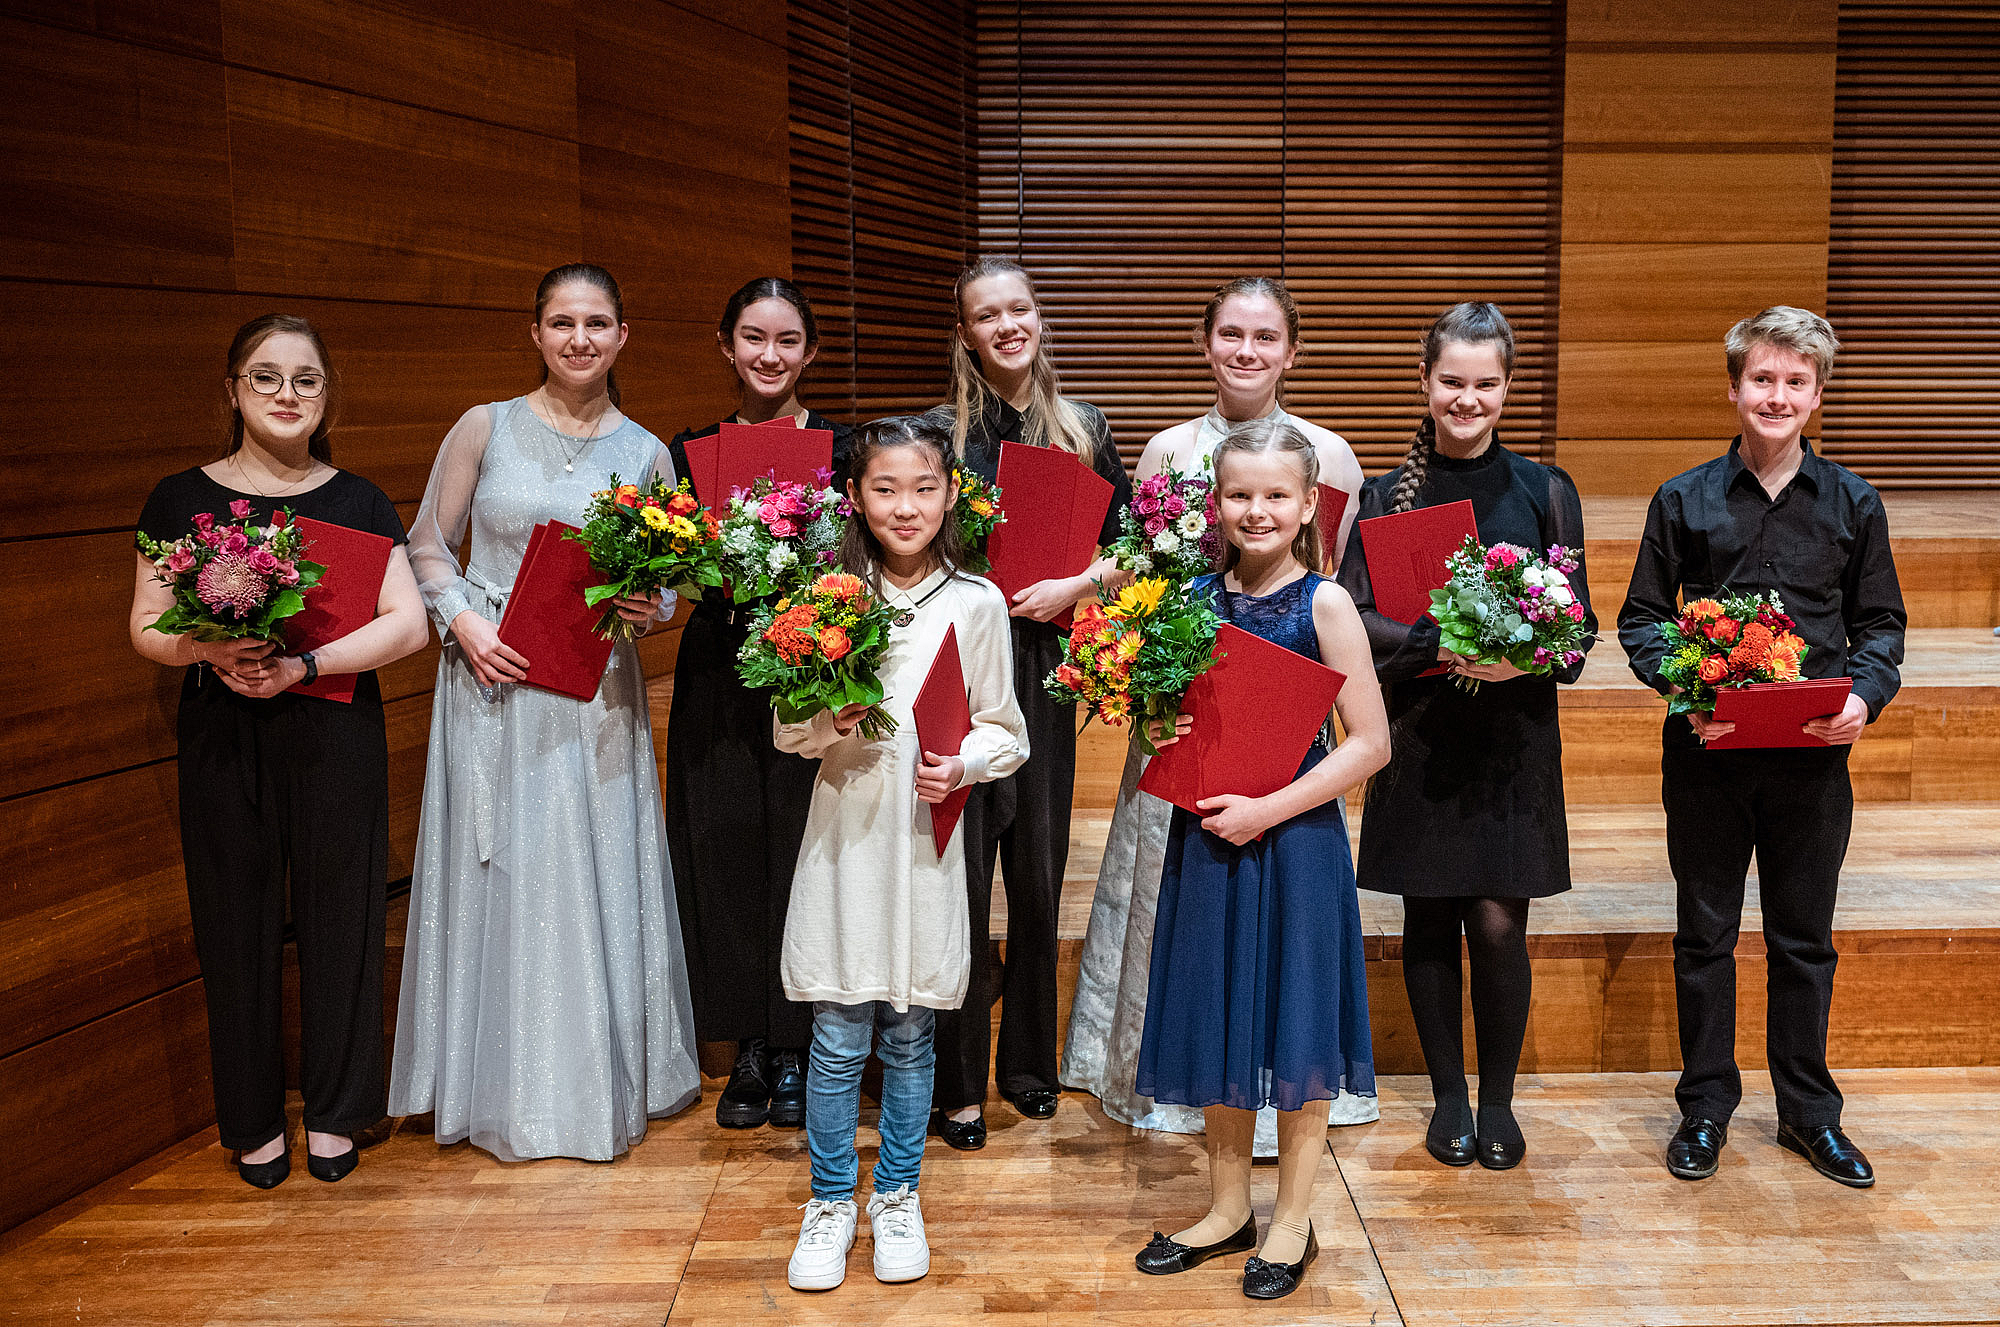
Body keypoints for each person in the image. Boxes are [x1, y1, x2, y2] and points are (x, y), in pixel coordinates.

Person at [389, 263, 701, 1161]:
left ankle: (587, 1084)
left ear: (621, 336)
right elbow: (426, 546)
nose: (579, 339)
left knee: (587, 864)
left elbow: (666, 581)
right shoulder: (484, 426)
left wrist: (655, 608)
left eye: (597, 322)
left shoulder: (645, 450)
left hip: (590, 689)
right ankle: (495, 1085)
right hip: (490, 678)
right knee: (505, 868)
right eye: (562, 322)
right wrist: (462, 626)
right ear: (536, 333)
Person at [1062, 276, 1370, 1143]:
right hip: (1188, 699)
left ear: (1291, 351)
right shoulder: (1167, 448)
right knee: (1182, 897)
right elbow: (1140, 572)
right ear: (1205, 343)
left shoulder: (1332, 454)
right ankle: (1170, 1073)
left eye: (1265, 336)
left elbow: (1328, 585)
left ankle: (1282, 1094)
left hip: (1282, 720)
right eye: (1230, 333)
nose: (1246, 350)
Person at [129, 314, 429, 1188]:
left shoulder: (359, 499)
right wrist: (211, 650)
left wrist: (304, 663)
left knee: (344, 919)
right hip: (223, 735)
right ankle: (254, 1119)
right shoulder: (178, 499)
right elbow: (146, 625)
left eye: (306, 380)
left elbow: (407, 623)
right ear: (233, 389)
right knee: (234, 923)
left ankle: (337, 1111)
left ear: (326, 395)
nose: (287, 395)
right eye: (267, 377)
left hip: (334, 727)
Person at [1618, 306, 1905, 1188]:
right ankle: (1705, 1107)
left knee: (1802, 939)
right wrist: (1689, 690)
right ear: (1734, 387)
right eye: (1762, 379)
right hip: (1709, 752)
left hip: (1813, 761)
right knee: (1704, 935)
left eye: (1796, 381)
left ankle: (1808, 1116)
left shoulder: (1854, 501)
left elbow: (1881, 624)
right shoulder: (1684, 497)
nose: (1777, 396)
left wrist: (1863, 695)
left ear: (1817, 393)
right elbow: (1642, 619)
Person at [1134, 417, 1388, 1301]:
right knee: (1218, 1011)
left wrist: (1267, 810)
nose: (1257, 509)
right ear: (1216, 502)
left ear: (1310, 502)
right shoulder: (1190, 599)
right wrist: (1160, 727)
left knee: (1297, 1021)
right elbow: (1174, 720)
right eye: (1239, 493)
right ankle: (1226, 1205)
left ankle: (1292, 1218)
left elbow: (1370, 745)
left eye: (1277, 494)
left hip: (1295, 841)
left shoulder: (1325, 603)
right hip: (1208, 838)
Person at [1336, 302, 1595, 1171]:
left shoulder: (1546, 490)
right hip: (1420, 732)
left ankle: (1499, 1099)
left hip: (1511, 740)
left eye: (1486, 384)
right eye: (1452, 381)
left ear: (1507, 388)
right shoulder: (1383, 496)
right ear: (1425, 382)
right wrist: (1432, 646)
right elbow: (1348, 617)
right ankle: (1448, 1094)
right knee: (1429, 916)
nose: (1468, 398)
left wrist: (1528, 658)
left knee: (1496, 923)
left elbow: (1580, 628)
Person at [777, 416, 1028, 1291]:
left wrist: (964, 762)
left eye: (924, 487)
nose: (905, 505)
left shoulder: (978, 601)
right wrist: (825, 720)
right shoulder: (826, 598)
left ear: (951, 492)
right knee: (839, 1032)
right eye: (884, 488)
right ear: (855, 497)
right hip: (845, 835)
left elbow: (1009, 732)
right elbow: (785, 728)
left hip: (927, 841)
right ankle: (830, 1199)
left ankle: (897, 1192)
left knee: (912, 1030)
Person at [926, 256, 1134, 1150]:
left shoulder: (1083, 427)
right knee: (961, 876)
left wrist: (1075, 587)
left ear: (1037, 319)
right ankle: (959, 1073)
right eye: (987, 314)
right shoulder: (937, 432)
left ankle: (1029, 1065)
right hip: (957, 663)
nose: (1007, 324)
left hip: (1045, 657)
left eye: (1019, 308)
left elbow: (1133, 549)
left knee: (1038, 872)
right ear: (966, 332)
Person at [666, 278, 854, 1130]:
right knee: (726, 843)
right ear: (726, 345)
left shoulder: (844, 447)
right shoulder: (690, 448)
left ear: (809, 352)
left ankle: (801, 1040)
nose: (769, 356)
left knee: (805, 847)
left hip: (814, 662)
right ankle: (748, 1044)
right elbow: (671, 568)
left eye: (787, 340)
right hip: (721, 664)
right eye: (753, 338)